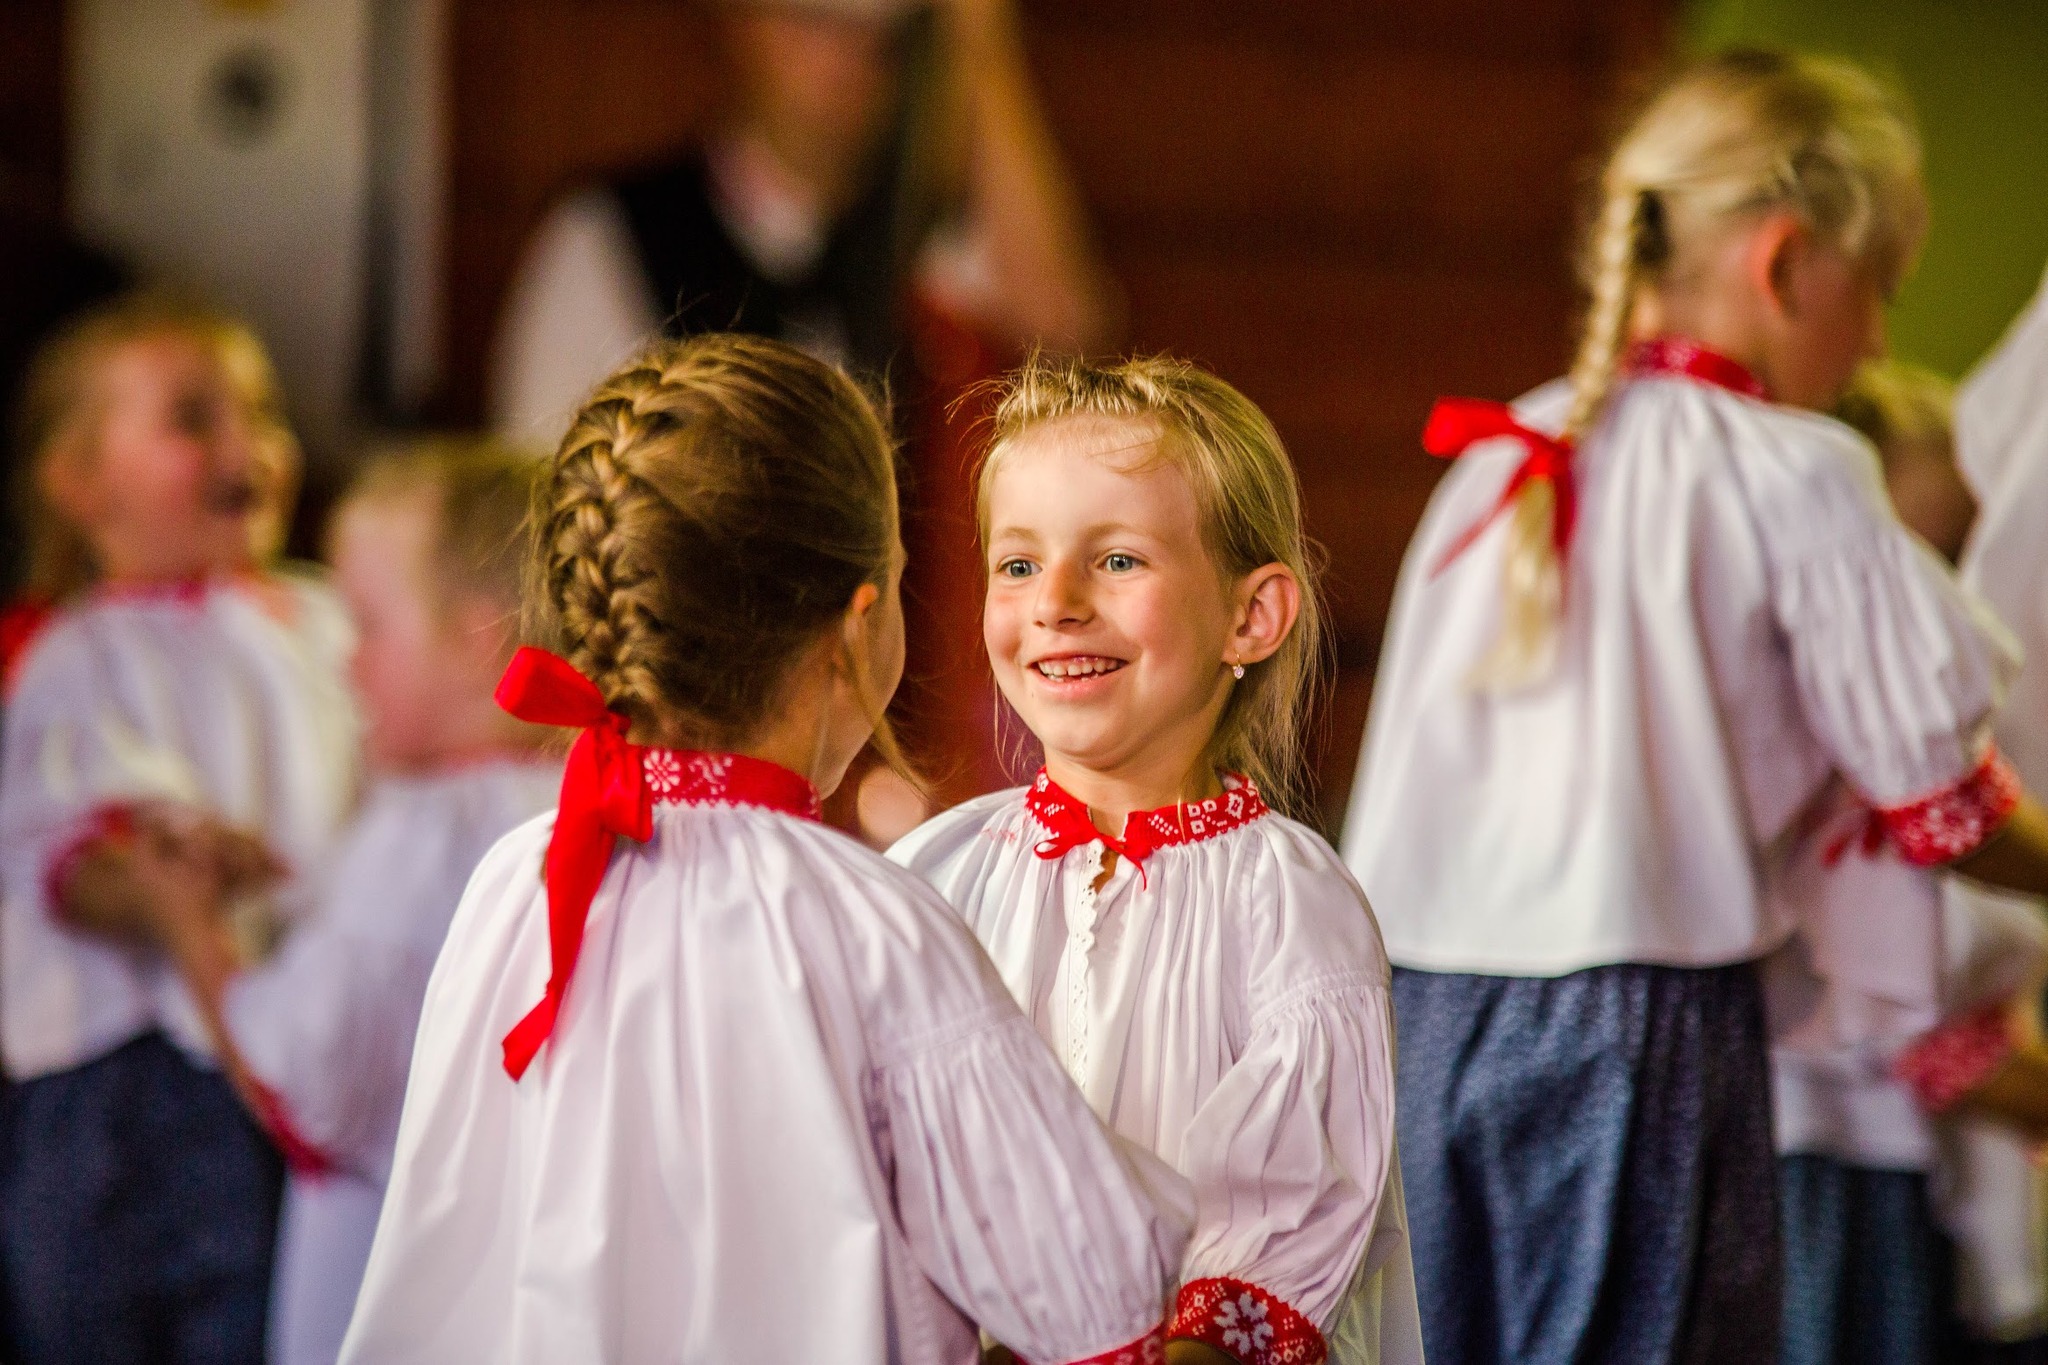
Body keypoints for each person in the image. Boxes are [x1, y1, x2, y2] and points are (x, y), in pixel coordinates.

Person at [1343, 49, 2048, 1365]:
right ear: (1786, 263)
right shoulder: (1798, 473)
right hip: (1635, 1028)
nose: (1877, 344)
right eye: (1880, 291)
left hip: (1417, 1021)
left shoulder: (1499, 459)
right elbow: (1940, 807)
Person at [339, 334, 1187, 1364]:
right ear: (860, 624)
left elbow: (442, 1255)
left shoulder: (519, 885)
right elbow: (1099, 1296)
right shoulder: (874, 928)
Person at [891, 354, 1422, 1365]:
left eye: (1117, 560)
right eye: (1018, 565)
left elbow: (1282, 1237)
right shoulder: (931, 878)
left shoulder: (1288, 906)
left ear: (1249, 617)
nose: (1055, 601)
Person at [100, 440, 560, 1364]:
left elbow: (301, 1077)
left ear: (478, 641)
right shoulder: (578, 803)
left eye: (370, 626)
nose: (347, 663)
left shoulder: (422, 833)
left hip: (384, 1292)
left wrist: (189, 926)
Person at [0, 294, 357, 1362]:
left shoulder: (324, 620)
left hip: (286, 1050)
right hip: (122, 1076)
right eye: (194, 419)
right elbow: (57, 846)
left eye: (262, 414)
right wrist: (157, 870)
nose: (247, 446)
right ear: (80, 482)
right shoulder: (79, 650)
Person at [1764, 361, 2048, 1365]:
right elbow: (1909, 1021)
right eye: (1933, 558)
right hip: (1831, 1150)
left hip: (1900, 1158)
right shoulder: (1850, 752)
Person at [490, 0, 1114, 445]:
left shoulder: (923, 238)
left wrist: (982, 48)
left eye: (879, 38)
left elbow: (1069, 333)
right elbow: (546, 496)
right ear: (743, 22)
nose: (848, 61)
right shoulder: (613, 234)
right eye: (816, 23)